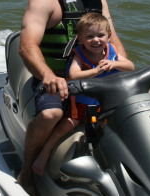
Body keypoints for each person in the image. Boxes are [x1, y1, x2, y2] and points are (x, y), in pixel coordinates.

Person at [18, 0, 128, 195]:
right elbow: (27, 45)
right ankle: (26, 172)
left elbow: (112, 40)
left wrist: (124, 68)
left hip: (93, 79)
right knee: (51, 114)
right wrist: (48, 77)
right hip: (55, 79)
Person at [32, 12, 135, 176]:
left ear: (108, 36)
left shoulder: (111, 50)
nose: (96, 40)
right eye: (89, 36)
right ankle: (45, 152)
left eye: (100, 35)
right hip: (84, 99)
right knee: (68, 124)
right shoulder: (79, 54)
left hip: (107, 97)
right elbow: (73, 75)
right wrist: (95, 71)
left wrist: (115, 63)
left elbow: (130, 66)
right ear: (80, 39)